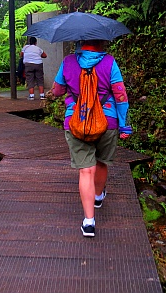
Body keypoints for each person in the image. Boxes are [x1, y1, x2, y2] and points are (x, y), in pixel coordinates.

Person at [50, 39, 132, 237]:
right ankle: (97, 196)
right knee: (102, 162)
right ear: (101, 42)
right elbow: (120, 95)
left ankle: (89, 222)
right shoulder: (110, 62)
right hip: (108, 121)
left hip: (76, 121)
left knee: (86, 170)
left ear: (80, 42)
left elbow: (56, 91)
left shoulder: (68, 62)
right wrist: (125, 125)